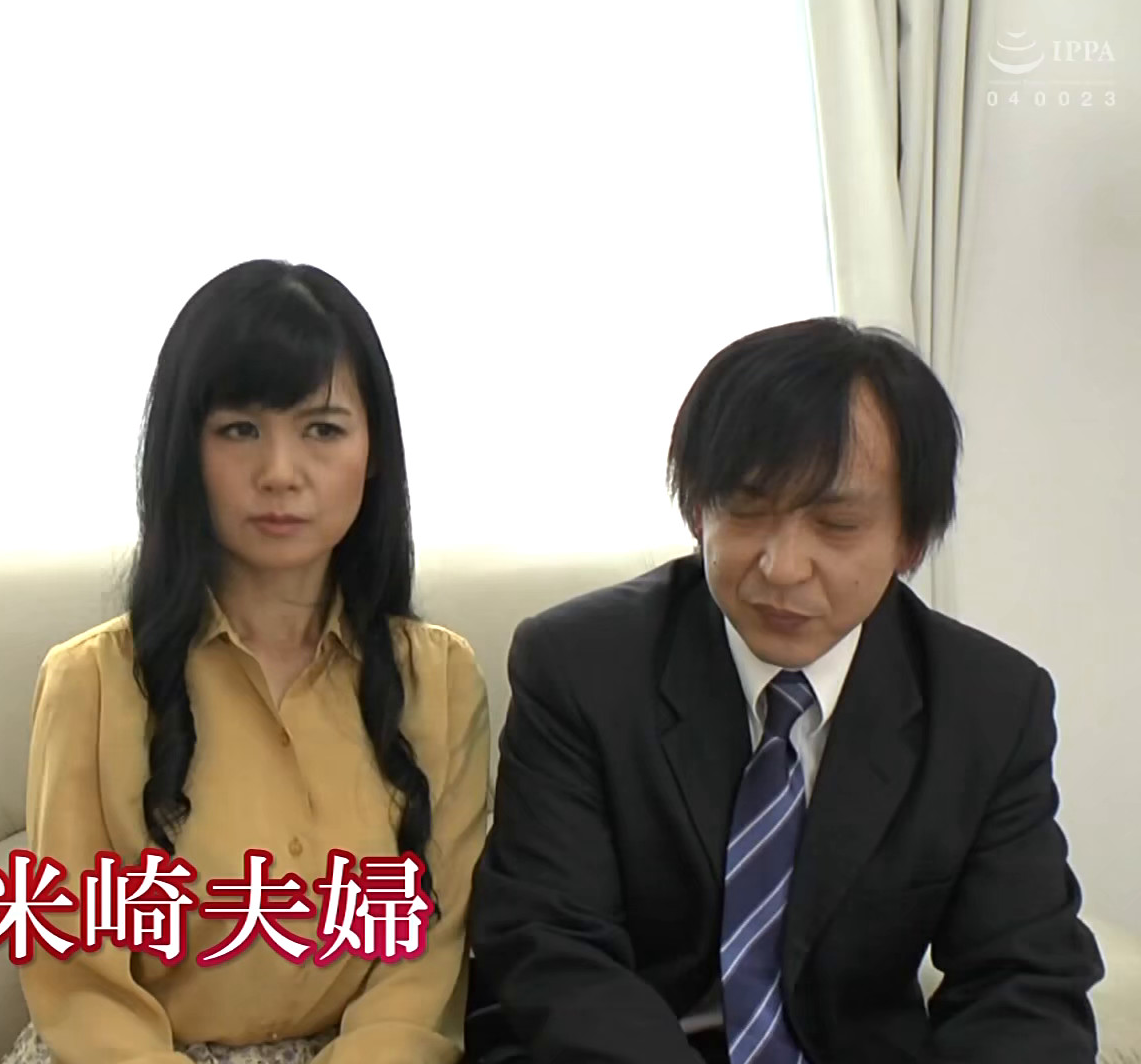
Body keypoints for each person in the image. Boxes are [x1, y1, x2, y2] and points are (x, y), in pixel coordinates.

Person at [465, 317, 1104, 1063]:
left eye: (836, 524)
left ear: (911, 539)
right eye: (747, 509)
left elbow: (1024, 980)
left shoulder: (989, 707)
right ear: (697, 510)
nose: (783, 566)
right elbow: (552, 941)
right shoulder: (580, 666)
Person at [6, 260, 489, 1064]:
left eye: (322, 430)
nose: (280, 474)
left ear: (374, 451)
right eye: (239, 430)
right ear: (184, 451)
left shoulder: (437, 680)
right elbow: (82, 983)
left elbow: (427, 968)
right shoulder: (91, 684)